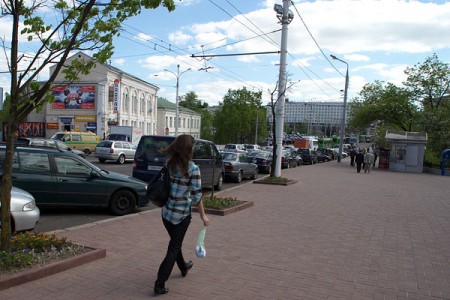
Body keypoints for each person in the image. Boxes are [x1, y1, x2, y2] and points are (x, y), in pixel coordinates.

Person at [154, 134, 210, 295]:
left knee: (175, 243)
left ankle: (184, 267)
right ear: (189, 149)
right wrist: (203, 216)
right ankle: (159, 284)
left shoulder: (169, 163)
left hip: (166, 213)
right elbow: (196, 197)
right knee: (173, 247)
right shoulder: (193, 169)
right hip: (181, 216)